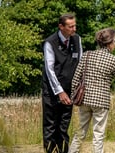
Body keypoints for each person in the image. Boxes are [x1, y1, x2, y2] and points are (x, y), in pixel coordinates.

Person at [68, 28, 115, 153]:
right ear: (110, 42)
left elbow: (75, 79)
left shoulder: (87, 55)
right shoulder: (113, 60)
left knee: (80, 132)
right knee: (98, 135)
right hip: (101, 102)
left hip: (84, 99)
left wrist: (73, 96)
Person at [41, 13, 83, 153]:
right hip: (52, 91)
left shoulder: (77, 40)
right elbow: (49, 69)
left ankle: (63, 151)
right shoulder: (50, 42)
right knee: (51, 125)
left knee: (64, 126)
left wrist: (79, 87)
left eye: (75, 25)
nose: (74, 29)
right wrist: (59, 91)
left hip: (70, 90)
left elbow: (80, 65)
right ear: (61, 27)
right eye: (70, 27)